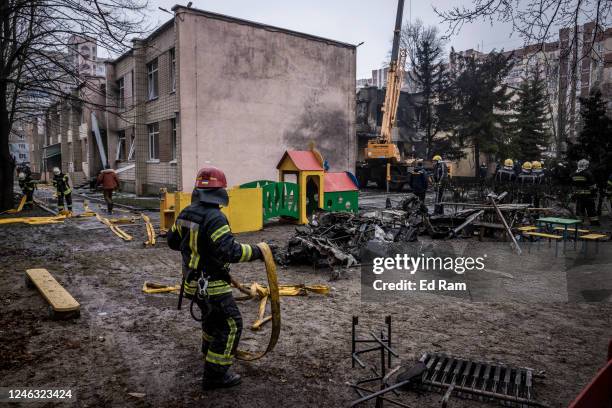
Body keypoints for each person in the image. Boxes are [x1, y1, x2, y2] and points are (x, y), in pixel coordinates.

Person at [167, 166, 263, 390]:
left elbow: (172, 242)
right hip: (212, 286)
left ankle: (208, 353)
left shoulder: (186, 212)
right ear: (221, 191)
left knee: (212, 320)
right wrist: (259, 250)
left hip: (192, 284)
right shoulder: (216, 218)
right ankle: (216, 374)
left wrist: (195, 247)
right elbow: (231, 252)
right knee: (231, 325)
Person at [571, 159, 599, 225]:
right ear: (586, 165)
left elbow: (573, 185)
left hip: (579, 196)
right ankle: (594, 223)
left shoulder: (574, 174)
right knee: (591, 209)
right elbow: (593, 185)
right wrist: (595, 192)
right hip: (588, 196)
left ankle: (579, 222)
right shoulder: (588, 173)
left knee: (580, 210)